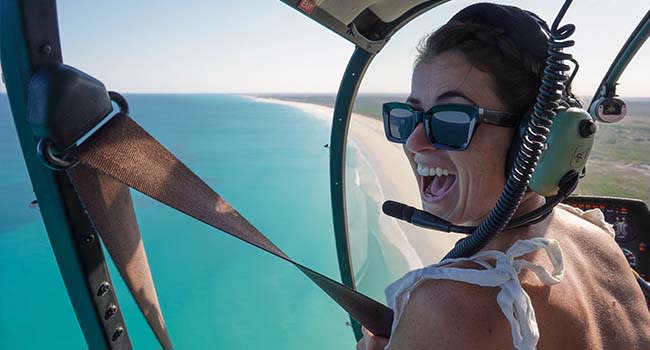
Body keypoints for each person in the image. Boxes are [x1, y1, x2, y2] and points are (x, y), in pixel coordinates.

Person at [357, 3, 650, 350]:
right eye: (410, 116)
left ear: (536, 140)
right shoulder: (597, 240)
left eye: (453, 119)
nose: (414, 142)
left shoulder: (450, 307)